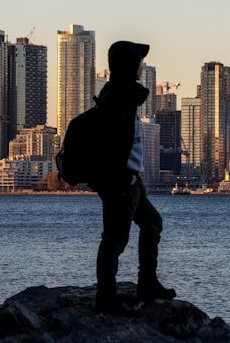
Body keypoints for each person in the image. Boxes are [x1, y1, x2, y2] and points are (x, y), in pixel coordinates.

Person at [93, 40, 176, 315]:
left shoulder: (121, 94)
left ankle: (147, 284)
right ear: (130, 66)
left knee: (152, 223)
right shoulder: (116, 97)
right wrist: (118, 179)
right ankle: (106, 298)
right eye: (138, 61)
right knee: (114, 240)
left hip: (132, 180)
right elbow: (111, 144)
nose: (142, 66)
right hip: (120, 181)